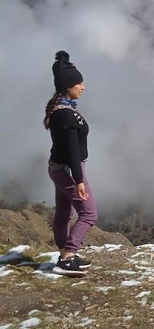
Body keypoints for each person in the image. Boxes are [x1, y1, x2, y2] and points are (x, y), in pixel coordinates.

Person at [43, 50, 97, 277]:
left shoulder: (60, 110)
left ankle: (64, 253)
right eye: (79, 83)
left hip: (58, 168)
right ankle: (67, 257)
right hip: (68, 170)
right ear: (69, 87)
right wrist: (78, 180)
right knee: (89, 214)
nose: (82, 87)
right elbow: (72, 150)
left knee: (63, 213)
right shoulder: (66, 115)